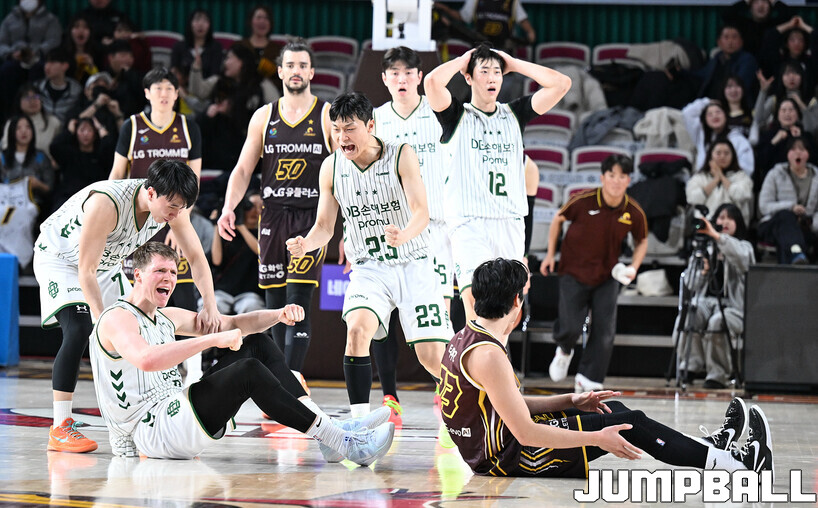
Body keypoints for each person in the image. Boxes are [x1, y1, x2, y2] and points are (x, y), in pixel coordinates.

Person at [440, 257, 773, 478]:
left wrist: (570, 400)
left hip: (499, 447)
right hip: (511, 456)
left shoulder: (466, 337)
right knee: (630, 424)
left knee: (615, 410)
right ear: (517, 300)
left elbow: (508, 405)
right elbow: (525, 431)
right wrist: (597, 438)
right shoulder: (489, 355)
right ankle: (738, 465)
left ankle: (710, 447)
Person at [88, 241, 395, 464]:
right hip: (151, 431)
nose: (169, 278)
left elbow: (234, 323)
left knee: (257, 344)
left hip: (175, 413)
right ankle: (342, 441)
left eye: (173, 271)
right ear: (137, 275)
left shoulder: (165, 316)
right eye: (159, 271)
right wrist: (212, 340)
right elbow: (146, 359)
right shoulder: (118, 318)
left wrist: (277, 315)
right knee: (248, 371)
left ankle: (328, 433)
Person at [33, 159, 221, 453]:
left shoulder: (172, 206)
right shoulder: (107, 204)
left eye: (181, 208)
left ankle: (144, 418)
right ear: (151, 193)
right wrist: (103, 322)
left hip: (105, 265)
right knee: (81, 329)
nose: (176, 214)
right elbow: (86, 270)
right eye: (172, 207)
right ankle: (60, 426)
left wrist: (210, 304)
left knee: (141, 326)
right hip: (63, 260)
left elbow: (196, 257)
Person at [286, 92, 452, 418]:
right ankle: (359, 424)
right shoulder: (331, 167)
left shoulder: (401, 154)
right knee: (357, 332)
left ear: (370, 126)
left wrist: (404, 234)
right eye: (336, 130)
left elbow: (421, 211)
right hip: (370, 268)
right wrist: (306, 243)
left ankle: (472, 408)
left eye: (350, 129)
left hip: (414, 263)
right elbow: (324, 226)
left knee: (432, 357)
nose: (342, 137)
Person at [424, 43, 571, 323]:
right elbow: (431, 82)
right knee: (474, 304)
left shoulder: (515, 113)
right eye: (484, 71)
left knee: (510, 313)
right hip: (469, 222)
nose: (492, 77)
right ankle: (470, 349)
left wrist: (514, 63)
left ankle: (494, 350)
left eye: (496, 72)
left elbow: (561, 84)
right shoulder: (456, 116)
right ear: (469, 77)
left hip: (509, 222)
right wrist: (462, 61)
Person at [217, 39, 334, 391]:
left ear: (312, 72)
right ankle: (278, 381)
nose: (296, 71)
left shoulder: (326, 115)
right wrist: (228, 208)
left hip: (309, 219)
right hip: (272, 219)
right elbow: (243, 169)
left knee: (297, 301)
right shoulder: (264, 116)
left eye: (303, 65)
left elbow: (344, 172)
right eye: (290, 65)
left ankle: (291, 380)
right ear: (280, 71)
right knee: (274, 306)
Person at [365, 46, 453, 422]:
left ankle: (446, 387)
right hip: (388, 227)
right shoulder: (375, 120)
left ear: (419, 76)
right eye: (394, 73)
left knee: (440, 313)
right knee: (384, 313)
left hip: (435, 229)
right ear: (384, 79)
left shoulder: (439, 114)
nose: (401, 79)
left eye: (408, 72)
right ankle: (389, 395)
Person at [540, 155, 648, 393]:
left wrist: (634, 267)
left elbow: (642, 240)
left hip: (607, 276)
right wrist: (550, 255)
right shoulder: (583, 201)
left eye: (622, 176)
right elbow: (558, 219)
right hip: (573, 271)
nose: (616, 181)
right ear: (602, 178)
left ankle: (588, 378)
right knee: (571, 326)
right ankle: (564, 350)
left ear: (628, 180)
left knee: (605, 330)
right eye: (612, 175)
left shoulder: (633, 211)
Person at [108, 67, 202, 311]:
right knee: (136, 294)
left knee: (183, 295)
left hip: (174, 218)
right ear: (147, 93)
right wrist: (112, 218)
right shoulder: (132, 126)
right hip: (137, 220)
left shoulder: (188, 127)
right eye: (158, 88)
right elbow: (116, 176)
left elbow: (194, 181)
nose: (164, 93)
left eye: (169, 88)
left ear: (177, 93)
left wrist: (182, 223)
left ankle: (189, 339)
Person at [675, 204, 754, 389]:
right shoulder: (705, 248)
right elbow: (690, 285)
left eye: (730, 218)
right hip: (707, 302)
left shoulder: (744, 246)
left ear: (738, 223)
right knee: (691, 312)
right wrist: (703, 273)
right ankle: (690, 366)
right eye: (721, 217)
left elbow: (743, 260)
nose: (725, 222)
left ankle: (718, 374)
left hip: (734, 307)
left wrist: (718, 237)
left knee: (718, 322)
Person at [758, 136, 818, 264]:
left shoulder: (816, 176)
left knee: (789, 238)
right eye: (793, 149)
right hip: (774, 224)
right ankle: (796, 254)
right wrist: (791, 207)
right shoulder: (775, 174)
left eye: (802, 149)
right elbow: (764, 206)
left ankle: (796, 257)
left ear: (808, 154)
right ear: (787, 154)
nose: (798, 153)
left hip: (805, 227)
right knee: (786, 217)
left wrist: (811, 221)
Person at [49, 116, 115, 210]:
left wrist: (100, 128)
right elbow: (54, 147)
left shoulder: (101, 155)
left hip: (95, 199)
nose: (85, 134)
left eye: (89, 130)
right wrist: (69, 131)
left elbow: (112, 149)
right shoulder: (69, 155)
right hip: (70, 199)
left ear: (95, 133)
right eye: (82, 130)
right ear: (76, 133)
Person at [685, 138, 754, 222]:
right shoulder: (700, 177)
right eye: (718, 153)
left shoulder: (741, 176)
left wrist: (721, 176)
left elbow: (741, 195)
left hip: (732, 224)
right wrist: (715, 180)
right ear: (710, 155)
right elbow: (692, 199)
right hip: (705, 223)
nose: (722, 157)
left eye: (726, 153)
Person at [682, 97, 755, 175]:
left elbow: (747, 169)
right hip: (704, 179)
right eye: (710, 114)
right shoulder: (701, 136)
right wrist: (707, 102)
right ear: (705, 119)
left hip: (730, 180)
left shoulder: (738, 139)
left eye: (718, 112)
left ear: (726, 115)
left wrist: (722, 176)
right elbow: (687, 113)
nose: (714, 116)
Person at [0, 115, 54, 205]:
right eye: (18, 128)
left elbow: (50, 188)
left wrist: (38, 184)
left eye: (28, 127)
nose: (24, 131)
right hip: (6, 203)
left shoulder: (41, 157)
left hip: (34, 203)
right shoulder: (2, 157)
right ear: (12, 131)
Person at [1, 83, 62, 155]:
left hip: (46, 161)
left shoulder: (53, 122)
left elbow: (59, 149)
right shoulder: (12, 123)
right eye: (27, 98)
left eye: (36, 97)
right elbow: (6, 147)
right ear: (19, 102)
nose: (32, 101)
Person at [239, 4, 284, 92]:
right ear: (251, 21)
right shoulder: (240, 46)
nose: (262, 21)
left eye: (266, 18)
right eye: (258, 17)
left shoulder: (277, 50)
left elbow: (282, 78)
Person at [171, 8, 223, 81]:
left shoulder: (216, 47)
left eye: (205, 20)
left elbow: (215, 75)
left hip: (207, 86)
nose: (200, 24)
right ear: (190, 23)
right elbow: (174, 71)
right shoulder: (179, 46)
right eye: (197, 20)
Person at [34, 48, 83, 123]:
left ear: (65, 66)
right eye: (46, 62)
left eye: (52, 62)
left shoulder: (76, 92)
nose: (47, 66)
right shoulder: (38, 87)